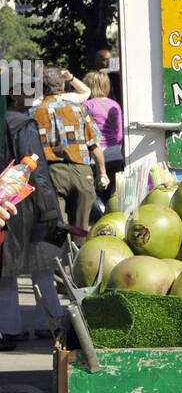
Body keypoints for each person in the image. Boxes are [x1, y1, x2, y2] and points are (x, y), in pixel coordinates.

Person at [0, 93, 65, 350]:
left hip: (6, 201)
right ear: (15, 95)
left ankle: (9, 328)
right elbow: (34, 169)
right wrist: (49, 210)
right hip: (26, 206)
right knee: (42, 268)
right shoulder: (23, 125)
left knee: (5, 270)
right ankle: (49, 323)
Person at [31, 65, 109, 233]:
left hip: (50, 173)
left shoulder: (33, 112)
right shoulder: (78, 108)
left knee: (57, 227)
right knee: (80, 229)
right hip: (81, 173)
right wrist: (102, 172)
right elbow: (94, 143)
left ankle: (61, 256)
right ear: (63, 87)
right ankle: (79, 254)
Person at [83, 70, 124, 201]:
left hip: (96, 156)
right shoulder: (115, 105)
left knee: (95, 195)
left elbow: (86, 133)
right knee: (112, 195)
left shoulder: (87, 105)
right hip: (115, 154)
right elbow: (119, 134)